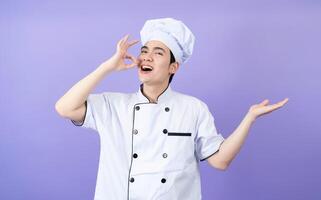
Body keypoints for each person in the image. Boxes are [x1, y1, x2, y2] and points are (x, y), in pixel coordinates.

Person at [55, 17, 289, 200]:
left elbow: (220, 161)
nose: (146, 57)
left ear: (173, 67)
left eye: (158, 53)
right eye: (144, 51)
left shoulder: (193, 108)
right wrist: (107, 67)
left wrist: (249, 118)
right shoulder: (112, 105)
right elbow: (65, 108)